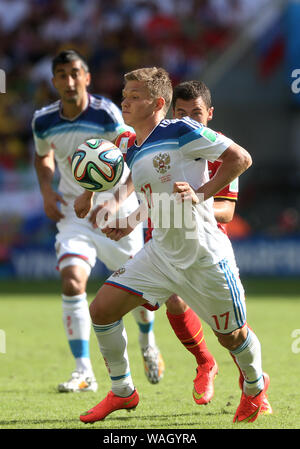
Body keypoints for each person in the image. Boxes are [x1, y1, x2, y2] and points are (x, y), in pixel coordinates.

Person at [76, 67, 270, 424]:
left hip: (203, 255)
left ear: (158, 103)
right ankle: (123, 392)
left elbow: (241, 159)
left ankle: (256, 387)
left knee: (233, 337)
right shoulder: (132, 146)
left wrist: (201, 194)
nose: (125, 101)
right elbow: (148, 193)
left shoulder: (182, 130)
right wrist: (124, 217)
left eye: (134, 96)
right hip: (161, 254)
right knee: (101, 310)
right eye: (125, 94)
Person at [32, 50, 165, 393]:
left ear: (86, 78)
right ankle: (83, 372)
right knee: (72, 281)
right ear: (54, 81)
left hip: (115, 214)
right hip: (73, 217)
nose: (69, 81)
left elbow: (135, 154)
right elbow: (42, 155)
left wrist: (117, 199)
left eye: (75, 73)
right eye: (61, 74)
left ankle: (147, 340)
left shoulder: (107, 113)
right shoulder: (43, 121)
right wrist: (47, 191)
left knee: (137, 293)